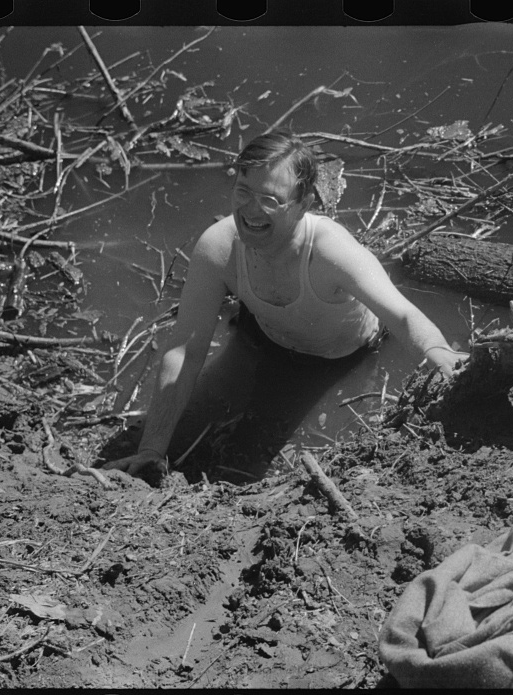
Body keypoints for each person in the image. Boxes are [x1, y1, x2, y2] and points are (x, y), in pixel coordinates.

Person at [106, 132, 468, 479]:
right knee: (196, 430)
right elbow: (186, 348)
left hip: (344, 357)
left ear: (304, 204)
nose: (250, 210)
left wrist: (439, 353)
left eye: (270, 199)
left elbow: (403, 315)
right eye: (243, 192)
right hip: (263, 339)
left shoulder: (330, 252)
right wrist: (151, 448)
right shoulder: (219, 247)